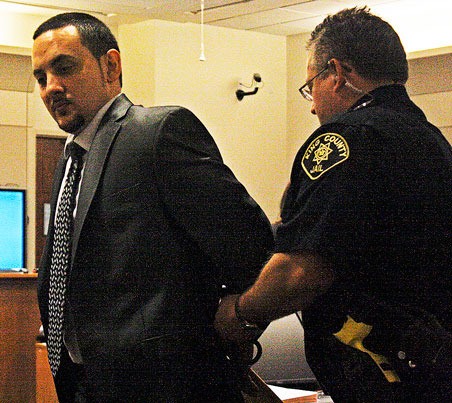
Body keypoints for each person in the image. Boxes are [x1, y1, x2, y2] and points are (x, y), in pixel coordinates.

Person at [32, 12, 274, 402]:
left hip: (169, 387)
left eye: (65, 68)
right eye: (41, 78)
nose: (51, 88)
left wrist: (242, 319)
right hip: (83, 385)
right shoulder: (70, 160)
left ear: (111, 65)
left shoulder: (159, 133)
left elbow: (251, 244)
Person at [215, 7, 451, 402]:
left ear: (337, 73)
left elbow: (302, 272)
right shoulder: (431, 140)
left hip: (382, 374)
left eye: (311, 86)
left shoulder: (341, 140)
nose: (311, 106)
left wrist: (239, 314)